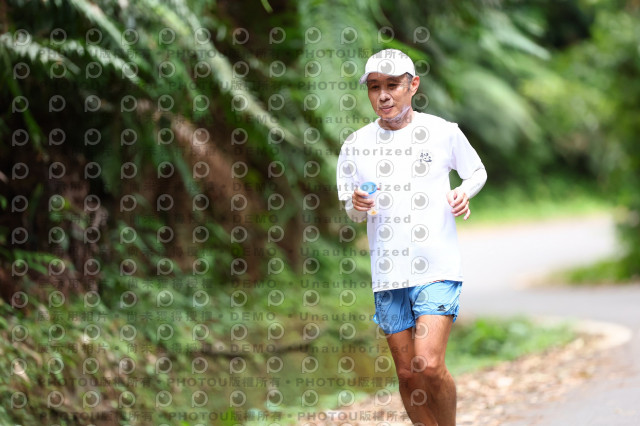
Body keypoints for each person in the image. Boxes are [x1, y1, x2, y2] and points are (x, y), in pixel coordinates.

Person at [336, 49, 487, 425]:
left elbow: (476, 171)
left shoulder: (442, 132)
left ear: (413, 85)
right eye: (375, 87)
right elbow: (353, 211)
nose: (383, 95)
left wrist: (463, 191)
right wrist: (356, 203)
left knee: (429, 364)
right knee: (407, 373)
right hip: (388, 273)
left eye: (392, 85)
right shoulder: (356, 145)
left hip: (437, 266)